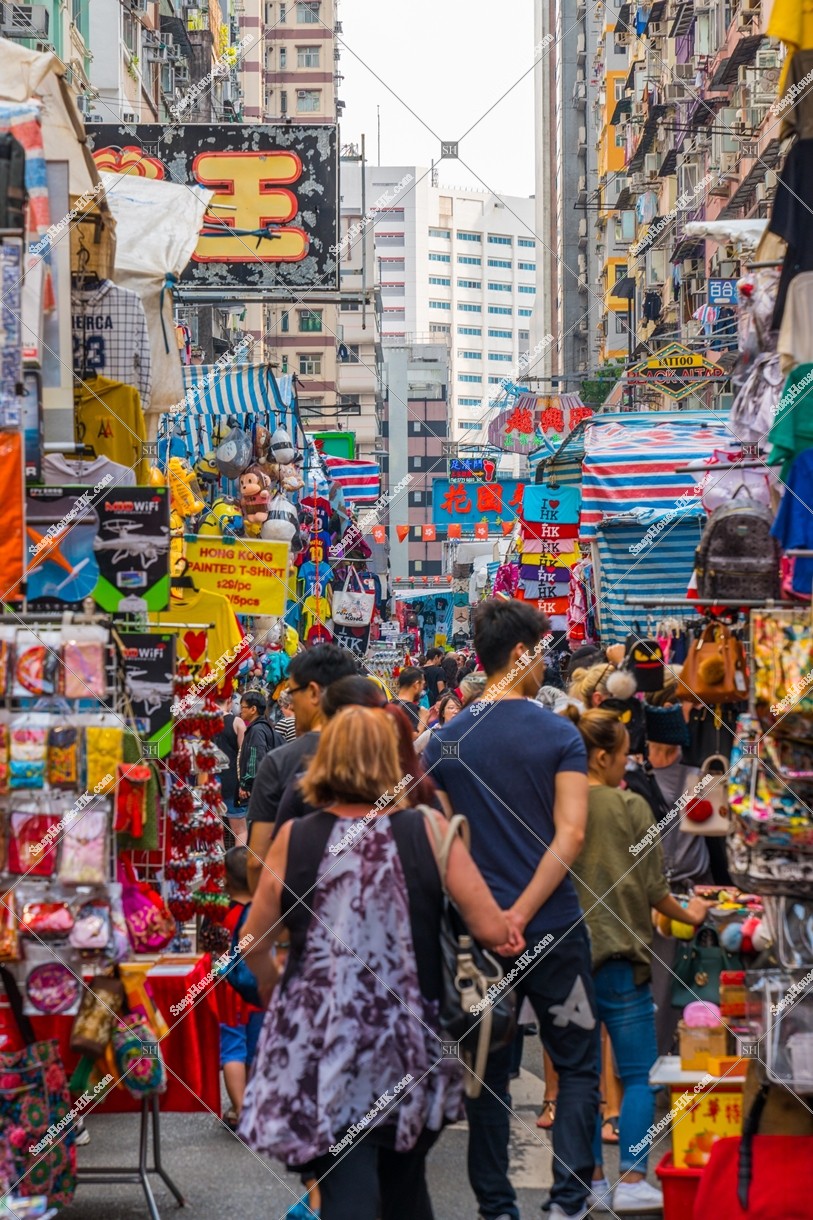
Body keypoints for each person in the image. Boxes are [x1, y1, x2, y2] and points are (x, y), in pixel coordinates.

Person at [238, 707, 523, 1220]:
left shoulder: (296, 839)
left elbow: (254, 939)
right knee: (403, 1178)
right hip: (413, 1040)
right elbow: (490, 928)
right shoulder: (430, 830)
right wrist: (511, 928)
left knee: (347, 1175)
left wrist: (271, 979)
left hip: (322, 1043)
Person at [424, 599, 600, 1220]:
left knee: (486, 1073)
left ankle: (497, 1207)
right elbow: (571, 834)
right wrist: (526, 912)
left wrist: (497, 919)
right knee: (578, 1061)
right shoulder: (560, 735)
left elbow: (443, 844)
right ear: (521, 655)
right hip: (553, 928)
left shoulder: (443, 742)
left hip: (475, 938)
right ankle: (568, 1201)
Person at [564, 707, 711, 1212]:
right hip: (625, 955)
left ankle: (589, 1182)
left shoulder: (561, 804)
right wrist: (691, 915)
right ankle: (631, 1180)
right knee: (638, 1073)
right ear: (603, 756)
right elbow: (656, 892)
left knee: (579, 1078)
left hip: (570, 958)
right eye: (624, 755)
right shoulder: (631, 808)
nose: (629, 764)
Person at [245, 645, 356, 893]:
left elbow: (256, 861)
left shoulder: (279, 763)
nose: (292, 706)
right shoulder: (380, 757)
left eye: (293, 694)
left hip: (299, 916)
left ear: (314, 692)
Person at [217, 847, 265, 1130]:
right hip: (259, 989)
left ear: (225, 879)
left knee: (233, 1048)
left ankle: (239, 1109)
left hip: (230, 993)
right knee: (256, 1048)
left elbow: (215, 958)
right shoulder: (262, 912)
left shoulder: (223, 915)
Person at [237, 692, 279, 806]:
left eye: (243, 707)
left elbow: (255, 758)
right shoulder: (261, 727)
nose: (240, 711)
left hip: (256, 791)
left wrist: (246, 784)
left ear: (253, 709)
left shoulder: (257, 730)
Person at [215, 696, 246, 846]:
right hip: (233, 782)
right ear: (228, 700)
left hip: (209, 782)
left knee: (215, 830)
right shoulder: (237, 722)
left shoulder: (203, 722)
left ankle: (217, 866)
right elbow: (245, 755)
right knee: (240, 830)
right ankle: (238, 868)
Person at [393, 666, 428, 737]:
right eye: (422, 684)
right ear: (416, 685)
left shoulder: (392, 703)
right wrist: (424, 718)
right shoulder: (410, 707)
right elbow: (412, 736)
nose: (422, 689)